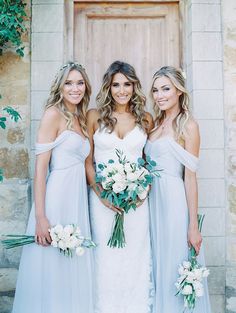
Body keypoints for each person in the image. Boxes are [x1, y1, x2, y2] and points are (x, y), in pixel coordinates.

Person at [12, 62, 94, 313]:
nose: (75, 88)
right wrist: (40, 216)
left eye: (79, 83)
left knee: (71, 261)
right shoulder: (53, 114)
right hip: (56, 198)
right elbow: (40, 171)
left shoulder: (81, 117)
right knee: (51, 261)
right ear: (60, 86)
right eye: (69, 83)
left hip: (78, 198)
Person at [86, 60, 154, 313]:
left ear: (135, 86)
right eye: (116, 85)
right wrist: (101, 193)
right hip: (101, 202)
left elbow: (148, 163)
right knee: (105, 258)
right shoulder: (94, 116)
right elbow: (88, 160)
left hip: (137, 204)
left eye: (127, 84)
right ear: (109, 87)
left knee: (135, 257)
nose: (122, 90)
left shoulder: (145, 118)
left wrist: (142, 192)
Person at [145, 66, 211, 312]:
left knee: (174, 262)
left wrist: (193, 225)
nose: (159, 95)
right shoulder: (154, 123)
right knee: (155, 263)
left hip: (173, 204)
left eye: (165, 89)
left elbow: (190, 178)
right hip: (151, 203)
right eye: (155, 90)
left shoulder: (188, 126)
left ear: (179, 91)